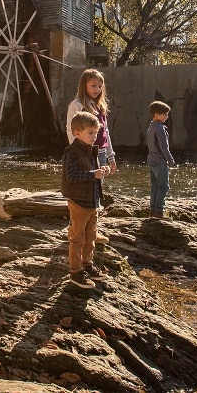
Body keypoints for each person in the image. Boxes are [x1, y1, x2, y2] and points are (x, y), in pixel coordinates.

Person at [61, 110, 112, 289]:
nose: (94, 136)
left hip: (92, 203)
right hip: (79, 203)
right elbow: (72, 176)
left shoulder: (91, 150)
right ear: (77, 133)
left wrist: (102, 170)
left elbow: (93, 173)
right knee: (77, 238)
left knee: (90, 237)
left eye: (96, 133)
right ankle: (75, 272)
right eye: (90, 133)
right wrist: (93, 174)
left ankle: (88, 265)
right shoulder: (71, 152)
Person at [66, 68, 115, 245]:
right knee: (81, 190)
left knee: (96, 191)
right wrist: (77, 152)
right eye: (93, 85)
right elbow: (71, 130)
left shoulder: (100, 106)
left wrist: (111, 156)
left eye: (100, 86)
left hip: (100, 153)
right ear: (84, 85)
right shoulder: (77, 105)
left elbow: (106, 133)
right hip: (84, 153)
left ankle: (92, 230)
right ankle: (75, 228)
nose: (97, 89)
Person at [146, 100, 176, 219]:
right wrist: (171, 160)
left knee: (155, 186)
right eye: (165, 114)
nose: (167, 117)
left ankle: (152, 210)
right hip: (159, 160)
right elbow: (164, 147)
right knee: (163, 186)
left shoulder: (151, 126)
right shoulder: (160, 128)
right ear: (157, 115)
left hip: (151, 159)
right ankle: (158, 211)